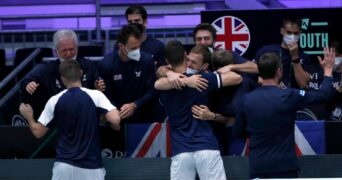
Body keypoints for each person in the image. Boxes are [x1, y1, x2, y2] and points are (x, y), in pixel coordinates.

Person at [233, 47, 335, 179]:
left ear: (260, 72)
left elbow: (238, 132)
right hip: (285, 166)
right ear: (279, 71)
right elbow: (324, 95)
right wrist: (328, 70)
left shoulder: (247, 99)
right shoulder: (289, 95)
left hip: (259, 166)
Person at [19, 60, 122, 180]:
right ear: (81, 73)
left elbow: (38, 132)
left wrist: (29, 117)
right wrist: (102, 117)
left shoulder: (54, 100)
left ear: (62, 78)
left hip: (64, 167)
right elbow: (115, 120)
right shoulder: (96, 95)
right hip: (91, 167)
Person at [155, 41, 243, 180]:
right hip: (206, 147)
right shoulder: (202, 80)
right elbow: (237, 78)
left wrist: (171, 75)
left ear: (167, 61)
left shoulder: (163, 85)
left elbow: (158, 81)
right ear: (185, 55)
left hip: (181, 151)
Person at [20, 29, 100, 118]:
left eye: (71, 49)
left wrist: (99, 87)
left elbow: (98, 85)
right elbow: (26, 81)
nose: (69, 53)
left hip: (85, 115)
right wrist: (28, 84)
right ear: (56, 51)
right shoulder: (47, 69)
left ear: (77, 48)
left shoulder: (88, 66)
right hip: (56, 117)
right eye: (64, 50)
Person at [192, 49, 253, 155]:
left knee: (236, 167)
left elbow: (235, 112)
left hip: (236, 134)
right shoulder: (207, 82)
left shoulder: (244, 81)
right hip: (215, 134)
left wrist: (213, 115)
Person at [98, 23, 156, 123]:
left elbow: (152, 91)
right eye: (133, 48)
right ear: (121, 46)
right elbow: (107, 97)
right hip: (117, 118)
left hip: (143, 116)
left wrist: (135, 104)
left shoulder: (147, 61)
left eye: (139, 47)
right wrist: (116, 114)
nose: (137, 51)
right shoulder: (107, 64)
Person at [254, 17, 311, 89]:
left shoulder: (304, 56)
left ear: (300, 33)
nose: (292, 37)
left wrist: (295, 57)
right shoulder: (266, 51)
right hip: (271, 95)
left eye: (296, 33)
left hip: (293, 97)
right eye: (289, 32)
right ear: (282, 31)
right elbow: (252, 74)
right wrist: (272, 84)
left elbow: (303, 85)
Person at [193, 23, 258, 74]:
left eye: (206, 38)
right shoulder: (189, 58)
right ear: (194, 41)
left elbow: (255, 68)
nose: (203, 42)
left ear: (214, 40)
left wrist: (230, 67)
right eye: (199, 39)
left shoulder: (223, 54)